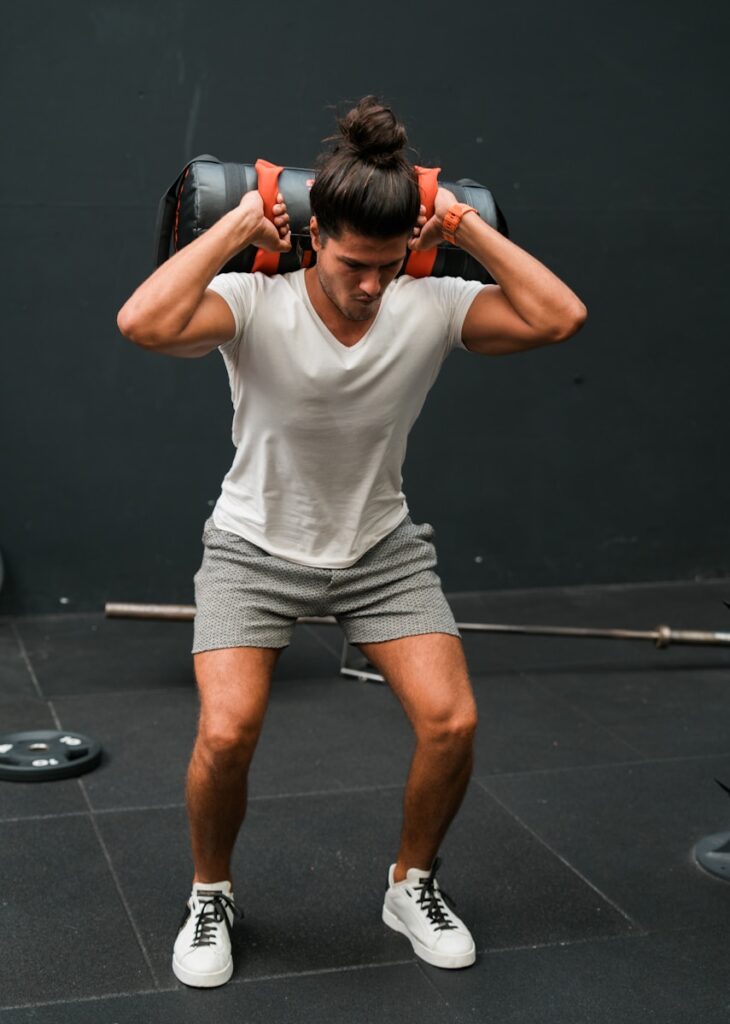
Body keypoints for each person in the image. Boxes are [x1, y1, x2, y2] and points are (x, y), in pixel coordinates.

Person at [116, 95, 587, 989]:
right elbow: (141, 324)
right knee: (226, 732)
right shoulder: (253, 300)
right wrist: (235, 231)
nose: (371, 284)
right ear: (313, 236)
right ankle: (209, 894)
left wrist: (462, 230)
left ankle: (412, 885)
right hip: (253, 550)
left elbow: (561, 318)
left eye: (388, 262)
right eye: (352, 263)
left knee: (452, 722)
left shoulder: (433, 302)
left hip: (379, 550)